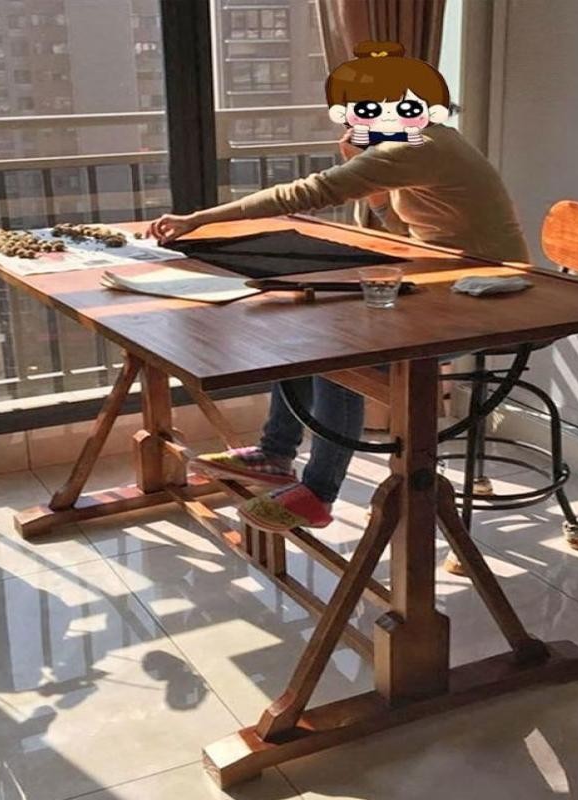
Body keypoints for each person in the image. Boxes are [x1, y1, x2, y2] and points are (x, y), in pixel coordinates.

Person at [146, 40, 529, 535]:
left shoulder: (417, 147)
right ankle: (275, 454)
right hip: (446, 279)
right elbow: (402, 232)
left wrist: (198, 218)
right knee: (305, 331)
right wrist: (376, 191)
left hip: (491, 293)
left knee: (337, 354)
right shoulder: (423, 142)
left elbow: (309, 192)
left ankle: (318, 492)